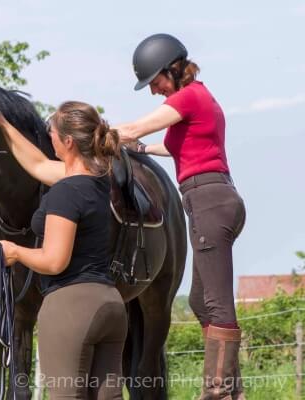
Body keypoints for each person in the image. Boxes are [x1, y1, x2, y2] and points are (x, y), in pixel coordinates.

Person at [114, 33, 247, 400]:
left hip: (208, 201)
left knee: (217, 303)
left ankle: (220, 392)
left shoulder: (188, 97)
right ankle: (231, 390)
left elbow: (134, 128)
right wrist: (141, 149)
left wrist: (92, 132)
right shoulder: (198, 99)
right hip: (210, 198)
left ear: (172, 68)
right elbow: (176, 146)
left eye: (155, 81)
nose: (155, 90)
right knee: (201, 302)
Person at [0, 101, 126, 399]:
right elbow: (37, 164)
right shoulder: (99, 181)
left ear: (67, 142)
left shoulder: (65, 191)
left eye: (50, 131)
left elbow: (54, 261)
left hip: (71, 309)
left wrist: (14, 252)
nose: (47, 135)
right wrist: (3, 125)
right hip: (112, 305)